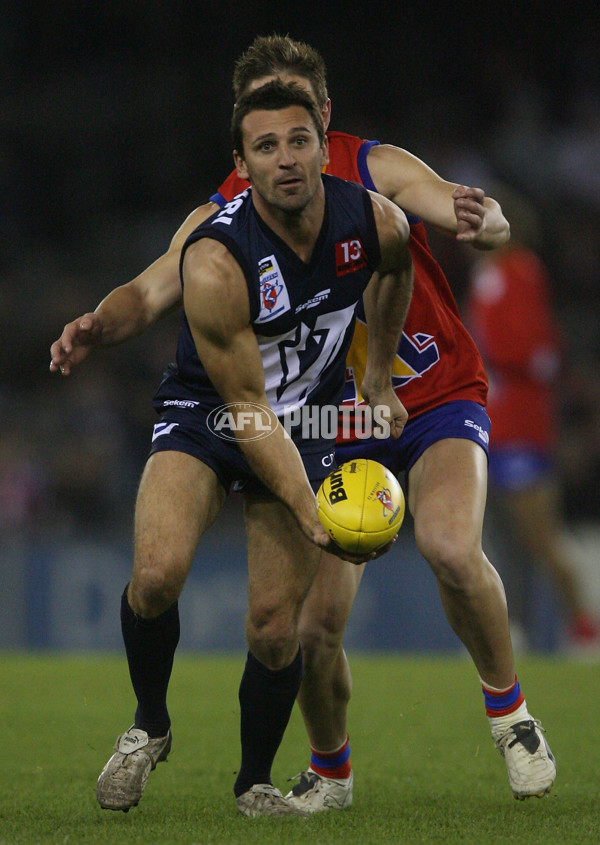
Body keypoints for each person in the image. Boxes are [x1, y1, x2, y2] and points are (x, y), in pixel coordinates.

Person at [50, 36, 556, 810]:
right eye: (263, 130)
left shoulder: (369, 180)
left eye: (299, 123)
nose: (284, 150)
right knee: (290, 623)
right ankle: (323, 772)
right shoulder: (228, 218)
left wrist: (482, 222)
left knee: (445, 547)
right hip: (293, 410)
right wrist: (100, 321)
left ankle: (509, 716)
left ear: (323, 118)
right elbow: (158, 291)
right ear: (243, 138)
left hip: (413, 392)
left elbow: (441, 212)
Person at [57, 81, 414, 818]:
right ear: (241, 165)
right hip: (209, 414)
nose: (285, 159)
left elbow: (398, 266)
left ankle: (253, 781)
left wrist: (377, 376)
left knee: (276, 626)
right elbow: (247, 408)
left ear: (323, 140)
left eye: (297, 140)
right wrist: (309, 511)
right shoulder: (218, 256)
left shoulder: (374, 219)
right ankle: (150, 724)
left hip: (308, 421)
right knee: (155, 576)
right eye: (265, 146)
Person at [465, 184, 600, 649]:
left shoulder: (519, 270)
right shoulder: (488, 273)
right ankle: (510, 634)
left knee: (540, 536)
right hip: (490, 424)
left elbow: (531, 346)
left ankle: (585, 626)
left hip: (519, 424)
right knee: (501, 542)